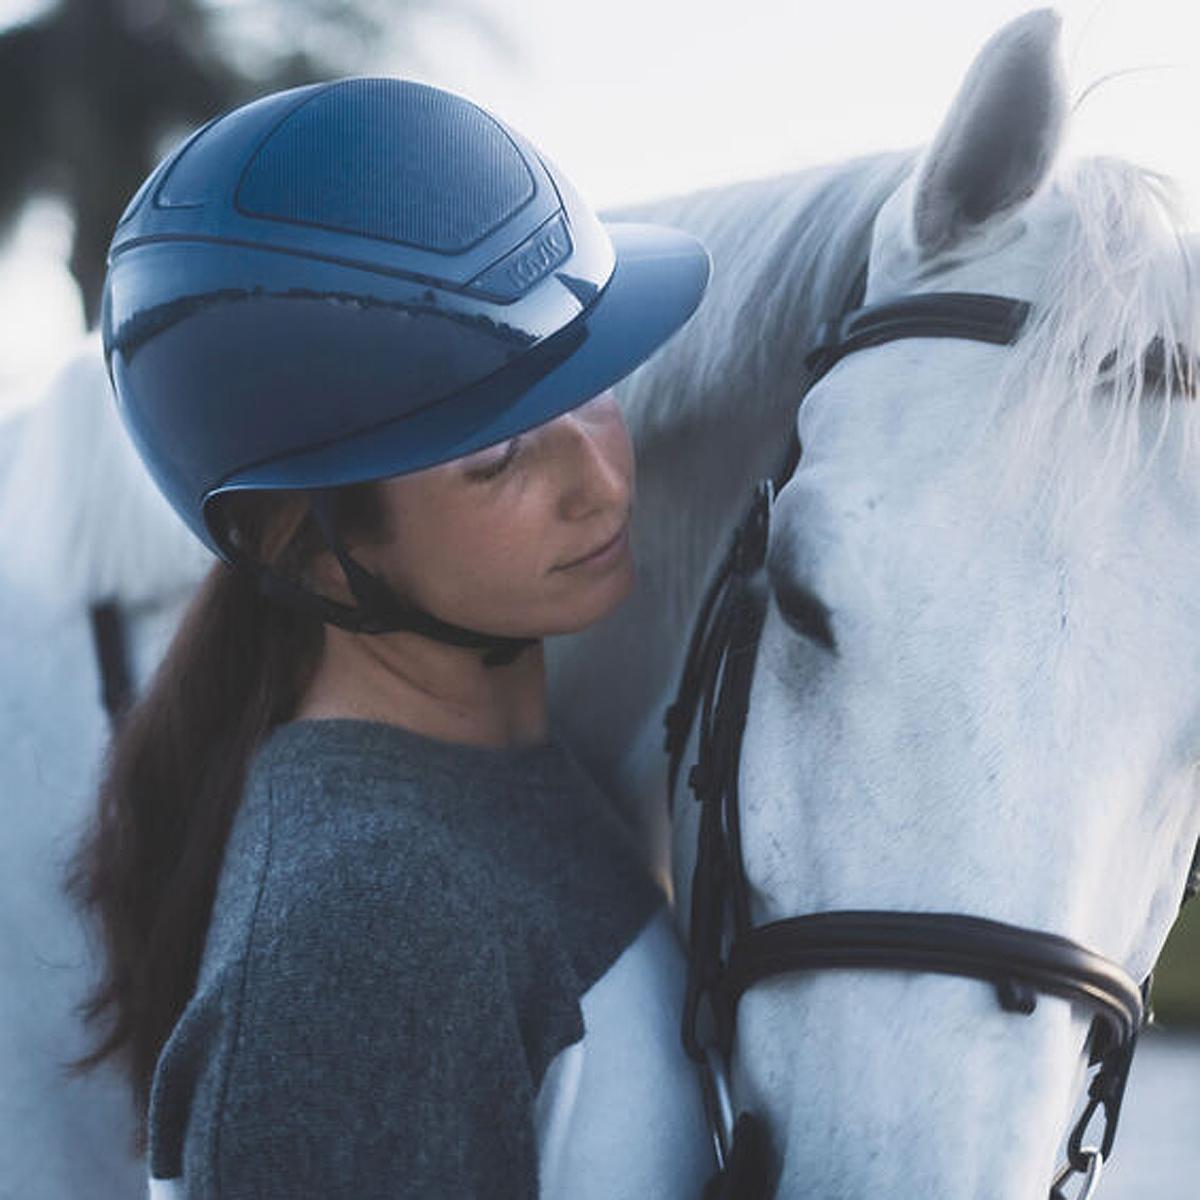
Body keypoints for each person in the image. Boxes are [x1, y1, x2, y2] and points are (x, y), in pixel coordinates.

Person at [69, 76, 715, 1198]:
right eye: (498, 457)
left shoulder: (482, 784)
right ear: (311, 549)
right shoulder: (373, 927)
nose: (600, 483)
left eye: (593, 388)